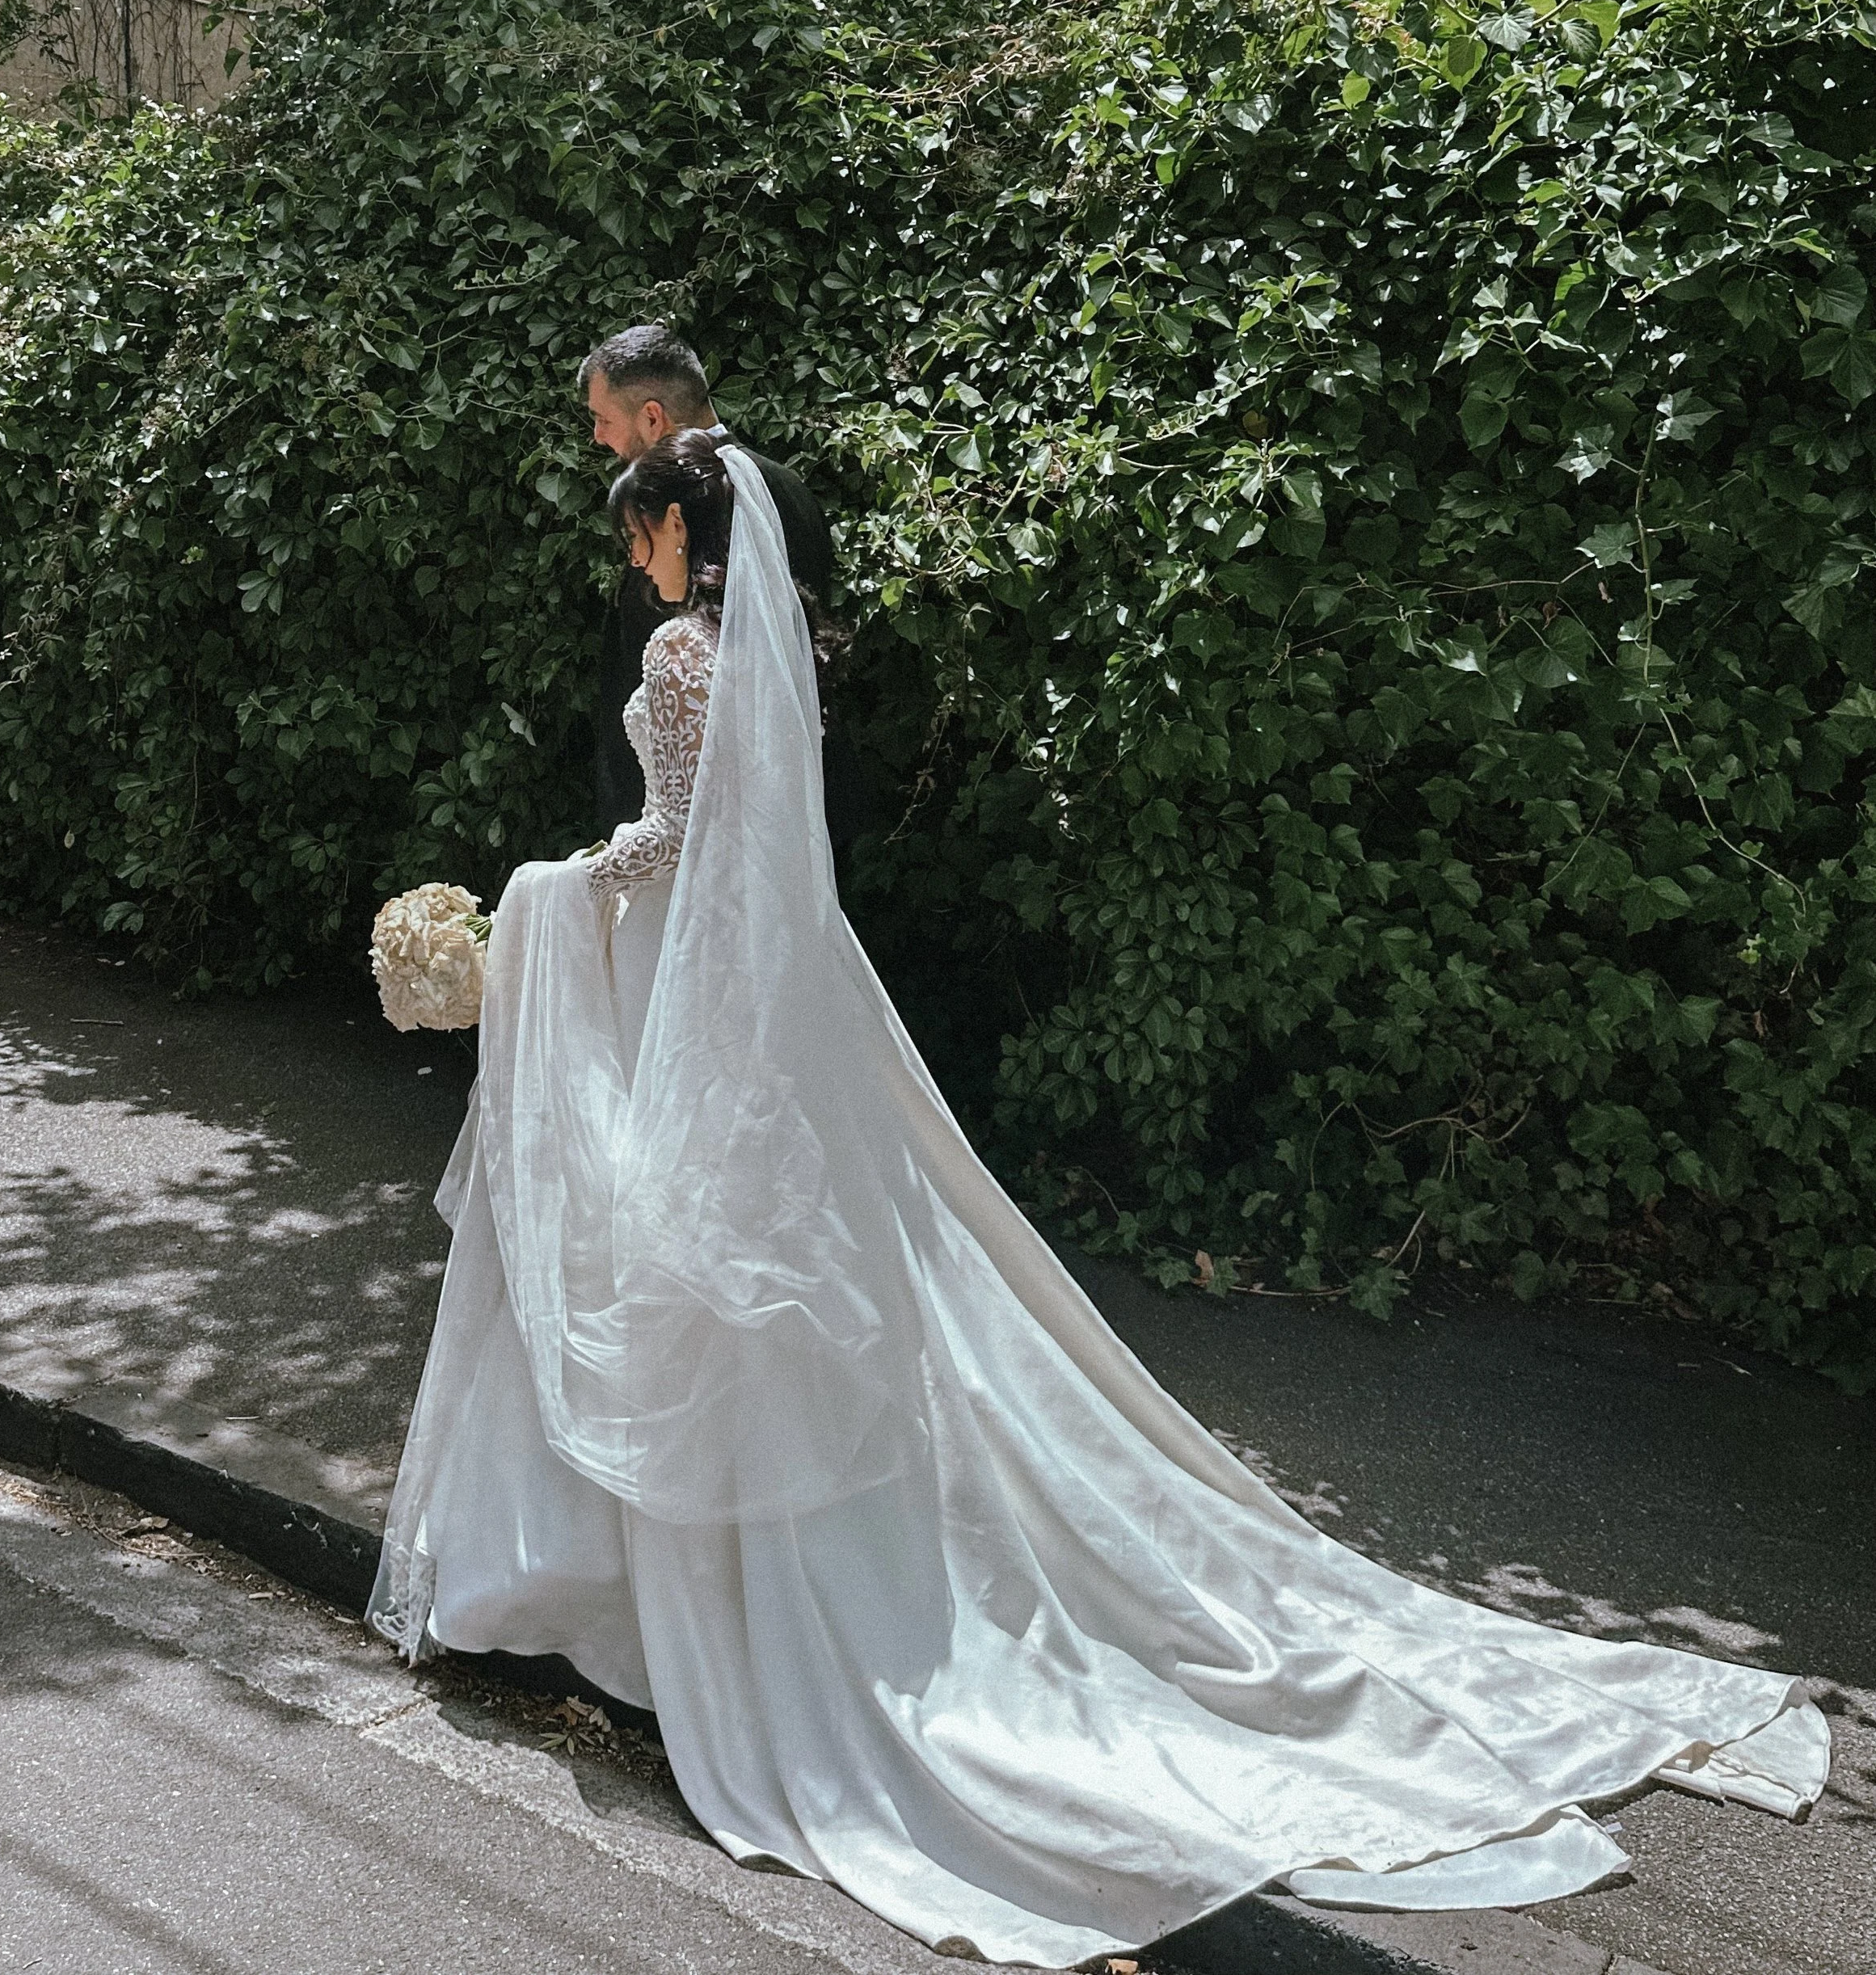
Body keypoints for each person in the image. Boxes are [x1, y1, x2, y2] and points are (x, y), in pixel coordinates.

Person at [370, 440, 1827, 1970]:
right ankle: (717, 1578)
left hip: (694, 981)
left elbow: (675, 841)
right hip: (771, 981)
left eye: (639, 537)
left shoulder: (680, 648)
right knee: (806, 1262)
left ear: (675, 528)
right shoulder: (764, 646)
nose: (636, 566)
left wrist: (538, 890)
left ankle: (704, 1601)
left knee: (691, 1265)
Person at [576, 323, 858, 843]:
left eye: (602, 419)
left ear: (653, 416)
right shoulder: (790, 488)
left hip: (702, 833)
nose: (598, 438)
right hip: (800, 813)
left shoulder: (678, 514)